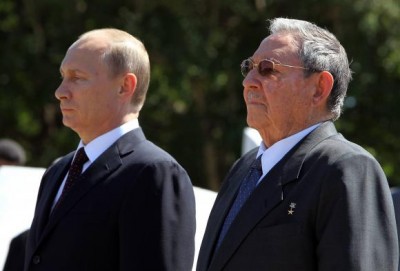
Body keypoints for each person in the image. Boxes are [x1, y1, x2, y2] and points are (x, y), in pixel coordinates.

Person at [197, 18, 398, 271]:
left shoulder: (347, 169)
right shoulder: (243, 169)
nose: (248, 81)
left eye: (268, 69)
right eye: (249, 67)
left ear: (319, 88)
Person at [24, 28, 196, 271]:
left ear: (124, 86)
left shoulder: (154, 173)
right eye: (62, 76)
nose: (60, 92)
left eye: (77, 77)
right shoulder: (58, 171)